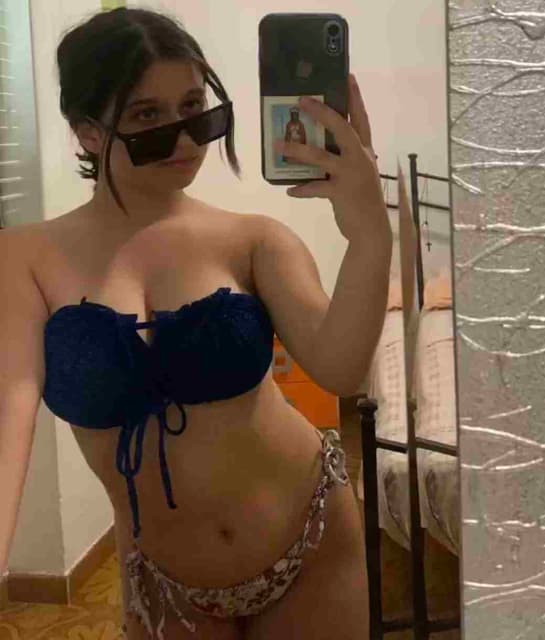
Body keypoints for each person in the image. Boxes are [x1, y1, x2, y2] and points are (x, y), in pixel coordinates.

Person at [0, 7, 392, 640]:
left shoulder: (254, 240)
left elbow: (341, 369)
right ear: (88, 133)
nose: (185, 142)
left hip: (312, 541)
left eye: (195, 110)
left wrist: (370, 235)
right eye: (147, 118)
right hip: (165, 583)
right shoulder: (23, 259)